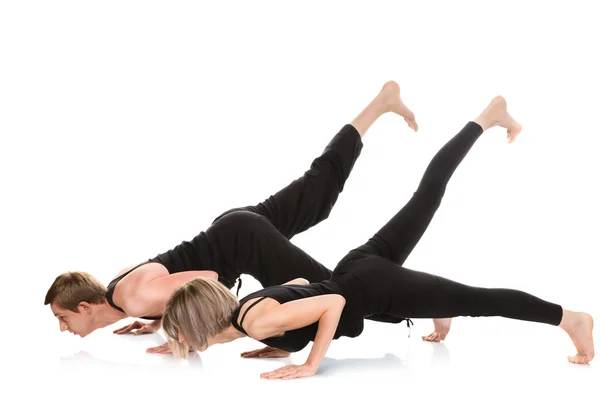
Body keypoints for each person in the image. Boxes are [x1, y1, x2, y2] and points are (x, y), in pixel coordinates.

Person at [161, 95, 595, 379]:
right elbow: (295, 289)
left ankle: (571, 319)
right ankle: (487, 117)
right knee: (427, 195)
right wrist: (279, 343)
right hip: (357, 266)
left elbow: (330, 304)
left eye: (176, 335)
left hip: (374, 288)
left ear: (194, 330)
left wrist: (310, 362)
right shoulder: (247, 314)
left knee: (480, 300)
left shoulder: (254, 321)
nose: (174, 342)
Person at [44, 80, 420, 354]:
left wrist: (182, 331)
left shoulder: (137, 298)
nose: (62, 328)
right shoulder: (121, 289)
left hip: (241, 244)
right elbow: (174, 276)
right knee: (316, 194)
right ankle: (381, 102)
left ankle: (425, 304)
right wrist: (159, 321)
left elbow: (208, 280)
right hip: (233, 227)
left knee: (338, 289)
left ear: (84, 307)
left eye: (63, 317)